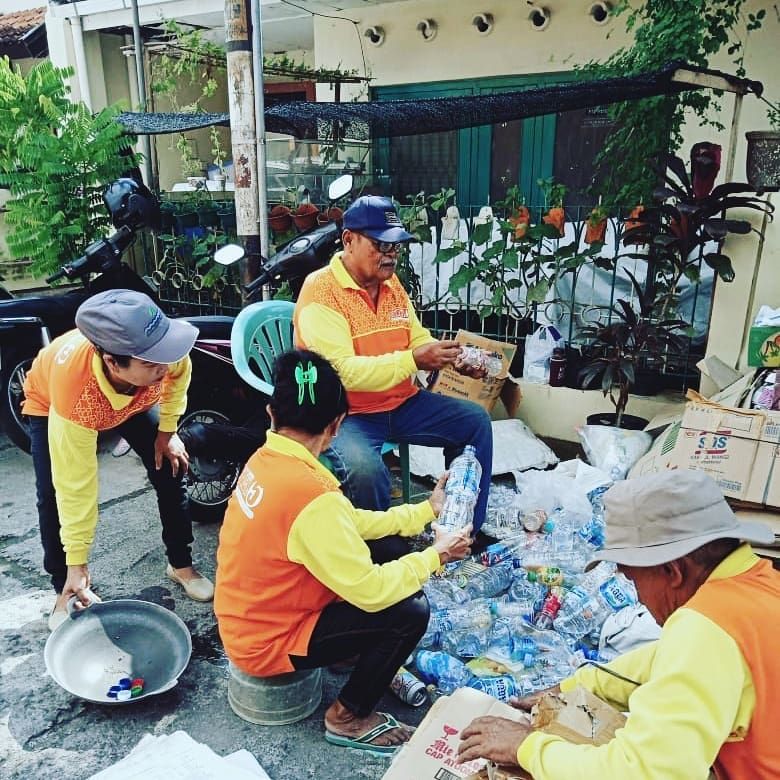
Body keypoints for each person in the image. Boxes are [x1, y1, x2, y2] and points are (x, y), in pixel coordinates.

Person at [214, 349, 472, 755]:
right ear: (336, 425)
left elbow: (346, 522)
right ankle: (348, 716)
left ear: (270, 414)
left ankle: (349, 653)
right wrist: (436, 557)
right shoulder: (309, 493)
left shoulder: (267, 459)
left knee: (387, 546)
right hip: (267, 640)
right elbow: (369, 590)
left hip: (251, 615)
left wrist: (425, 511)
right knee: (408, 612)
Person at [457, 469, 780, 779]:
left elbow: (644, 774)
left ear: (673, 571)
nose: (638, 598)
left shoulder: (705, 626)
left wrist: (525, 748)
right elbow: (659, 662)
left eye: (635, 580)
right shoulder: (759, 586)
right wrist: (570, 689)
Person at [293, 194, 493, 534]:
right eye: (380, 245)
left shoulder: (390, 284)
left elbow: (414, 336)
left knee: (475, 423)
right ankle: (379, 555)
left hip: (400, 402)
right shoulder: (321, 292)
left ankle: (460, 530)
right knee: (366, 470)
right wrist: (414, 359)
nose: (390, 254)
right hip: (345, 414)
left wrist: (448, 358)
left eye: (396, 246)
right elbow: (344, 373)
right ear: (348, 240)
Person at [23, 289, 214, 630]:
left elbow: (178, 378)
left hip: (134, 398)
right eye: (152, 362)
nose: (165, 365)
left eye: (165, 354)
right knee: (53, 494)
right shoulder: (76, 395)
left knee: (170, 465)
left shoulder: (163, 352)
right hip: (53, 402)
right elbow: (76, 485)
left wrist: (167, 433)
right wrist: (78, 560)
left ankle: (180, 563)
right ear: (113, 361)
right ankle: (66, 588)